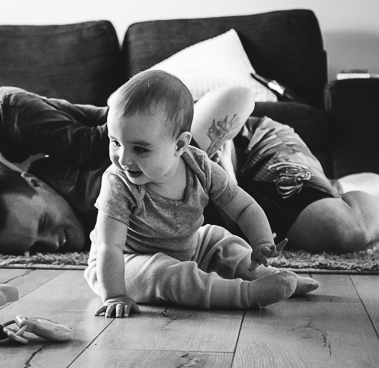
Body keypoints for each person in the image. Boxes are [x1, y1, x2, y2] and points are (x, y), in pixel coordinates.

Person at [0, 87, 379, 255]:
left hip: (251, 147)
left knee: (332, 228)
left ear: (33, 182)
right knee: (326, 195)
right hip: (222, 187)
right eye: (35, 250)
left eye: (45, 225)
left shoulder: (96, 149)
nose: (56, 246)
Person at [87, 70, 319, 316]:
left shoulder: (200, 167)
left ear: (179, 145)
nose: (123, 159)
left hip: (187, 247)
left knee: (219, 239)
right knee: (164, 273)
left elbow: (243, 207)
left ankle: (270, 276)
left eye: (140, 149)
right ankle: (244, 294)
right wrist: (114, 294)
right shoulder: (118, 182)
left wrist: (262, 242)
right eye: (116, 142)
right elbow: (109, 246)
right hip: (124, 264)